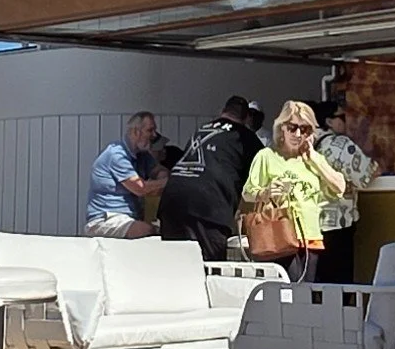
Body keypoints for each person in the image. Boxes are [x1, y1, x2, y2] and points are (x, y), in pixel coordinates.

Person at [241, 100, 346, 280]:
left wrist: (314, 159)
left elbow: (339, 188)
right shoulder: (267, 156)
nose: (298, 134)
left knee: (305, 296)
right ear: (281, 128)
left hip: (310, 238)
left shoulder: (314, 159)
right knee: (285, 295)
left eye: (304, 129)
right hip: (279, 236)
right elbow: (247, 193)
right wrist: (265, 192)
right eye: (292, 128)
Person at [158, 97, 264, 259]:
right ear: (246, 118)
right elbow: (258, 180)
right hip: (208, 205)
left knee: (175, 265)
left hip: (171, 201)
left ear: (222, 111)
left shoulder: (202, 129)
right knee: (206, 267)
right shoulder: (245, 138)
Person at [312, 97, 381, 281]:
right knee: (339, 278)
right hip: (338, 223)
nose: (346, 120)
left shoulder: (306, 146)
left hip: (311, 222)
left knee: (318, 279)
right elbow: (366, 176)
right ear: (328, 121)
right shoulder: (340, 145)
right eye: (341, 116)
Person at [85, 112, 161, 238]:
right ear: (136, 132)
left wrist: (162, 178)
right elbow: (140, 188)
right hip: (106, 219)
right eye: (150, 130)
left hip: (128, 218)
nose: (154, 135)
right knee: (147, 231)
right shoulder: (117, 155)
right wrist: (168, 182)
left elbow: (160, 171)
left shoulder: (142, 155)